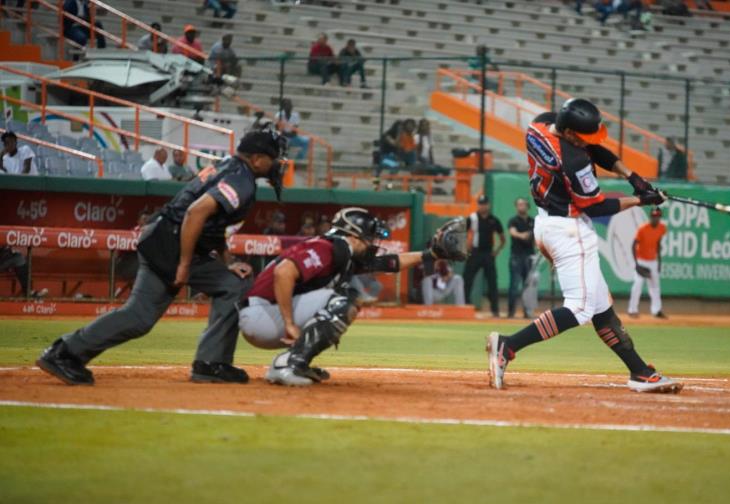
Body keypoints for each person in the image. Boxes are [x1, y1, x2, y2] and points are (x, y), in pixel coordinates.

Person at [35, 128, 287, 386]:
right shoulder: (240, 180)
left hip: (175, 240)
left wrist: (228, 262)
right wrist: (184, 264)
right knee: (139, 317)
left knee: (234, 284)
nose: (277, 163)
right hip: (169, 243)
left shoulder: (230, 168)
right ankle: (64, 353)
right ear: (256, 159)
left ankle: (211, 363)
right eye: (273, 157)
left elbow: (213, 225)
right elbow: (195, 214)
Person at [486, 97, 679, 393]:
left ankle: (640, 372)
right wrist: (641, 199)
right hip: (570, 230)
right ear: (571, 133)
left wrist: (632, 176)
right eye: (583, 137)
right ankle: (508, 346)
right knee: (579, 308)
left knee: (601, 308)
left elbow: (595, 149)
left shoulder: (540, 124)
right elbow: (597, 208)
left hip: (548, 223)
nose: (587, 141)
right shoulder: (574, 161)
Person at [237, 208, 462, 385]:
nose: (372, 244)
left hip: (265, 314)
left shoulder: (341, 252)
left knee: (344, 298)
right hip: (262, 315)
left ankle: (298, 362)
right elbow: (283, 272)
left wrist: (431, 254)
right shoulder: (325, 246)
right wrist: (288, 323)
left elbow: (390, 262)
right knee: (344, 300)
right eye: (368, 238)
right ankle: (288, 363)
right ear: (353, 236)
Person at [464, 195, 505, 318]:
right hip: (475, 253)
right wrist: (467, 247)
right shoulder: (472, 218)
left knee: (492, 282)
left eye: (485, 204)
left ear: (488, 205)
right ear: (478, 205)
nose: (483, 206)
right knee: (467, 279)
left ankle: (495, 310)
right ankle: (466, 306)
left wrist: (496, 251)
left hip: (488, 253)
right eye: (481, 204)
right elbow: (462, 233)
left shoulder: (494, 220)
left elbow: (502, 238)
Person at [627, 207, 667, 319]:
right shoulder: (643, 229)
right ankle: (632, 310)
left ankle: (656, 310)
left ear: (660, 217)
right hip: (641, 260)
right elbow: (633, 245)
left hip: (653, 261)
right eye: (653, 216)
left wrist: (659, 262)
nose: (655, 218)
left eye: (657, 216)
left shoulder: (662, 228)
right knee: (637, 285)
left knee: (655, 286)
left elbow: (658, 243)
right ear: (650, 217)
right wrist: (636, 264)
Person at [506, 197, 535, 319]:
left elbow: (537, 235)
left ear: (528, 206)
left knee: (528, 286)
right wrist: (523, 235)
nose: (521, 207)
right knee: (514, 284)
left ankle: (527, 312)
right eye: (519, 204)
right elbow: (512, 232)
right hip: (516, 256)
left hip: (529, 256)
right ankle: (511, 312)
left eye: (523, 204)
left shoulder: (533, 221)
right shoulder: (513, 221)